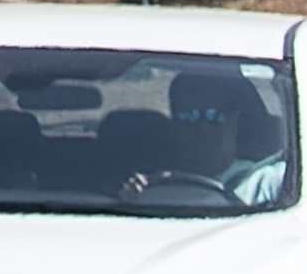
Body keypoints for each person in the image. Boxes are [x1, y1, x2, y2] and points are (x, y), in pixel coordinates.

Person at [119, 71, 283, 207]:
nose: (203, 128)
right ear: (174, 127)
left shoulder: (266, 180)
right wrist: (132, 201)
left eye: (213, 116)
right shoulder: (154, 187)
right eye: (189, 117)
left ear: (233, 122)